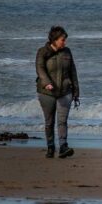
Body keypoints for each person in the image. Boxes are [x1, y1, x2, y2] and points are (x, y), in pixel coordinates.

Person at [35, 26, 79, 159]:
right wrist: (47, 82)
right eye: (62, 40)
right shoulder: (42, 52)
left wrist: (76, 91)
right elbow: (39, 68)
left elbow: (73, 72)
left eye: (65, 40)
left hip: (65, 92)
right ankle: (50, 146)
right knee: (49, 122)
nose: (64, 42)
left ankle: (63, 146)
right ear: (54, 40)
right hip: (46, 93)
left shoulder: (67, 52)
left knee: (62, 121)